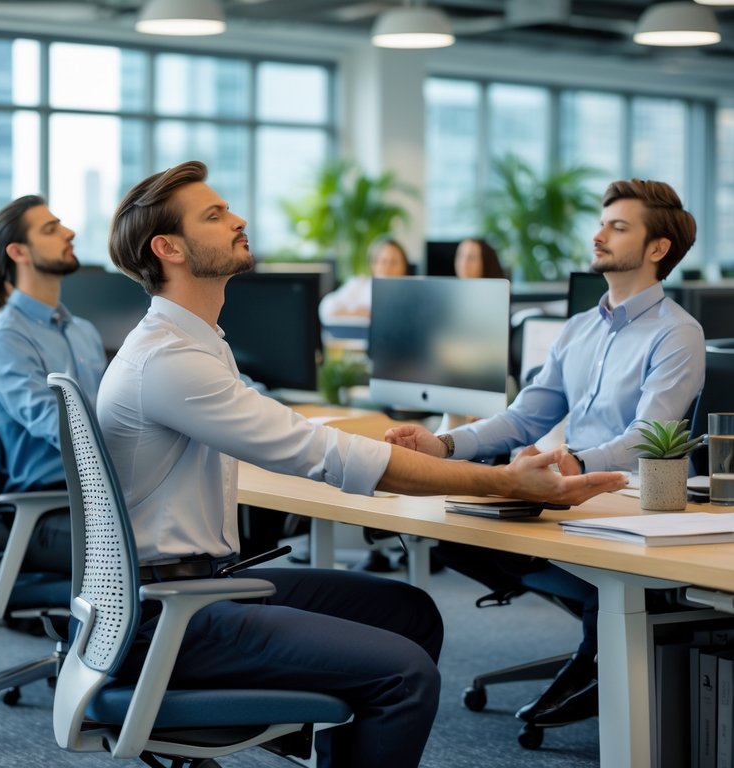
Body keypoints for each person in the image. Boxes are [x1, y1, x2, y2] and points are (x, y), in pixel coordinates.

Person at [96, 161, 626, 768]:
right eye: (214, 216)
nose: (238, 219)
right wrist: (504, 480)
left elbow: (296, 439)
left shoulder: (196, 344)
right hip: (170, 617)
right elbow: (327, 455)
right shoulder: (169, 360)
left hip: (192, 588)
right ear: (170, 249)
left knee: (409, 614)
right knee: (405, 676)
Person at [386, 178, 704, 729]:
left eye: (618, 226)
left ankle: (604, 650)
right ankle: (598, 637)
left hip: (633, 500)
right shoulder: (577, 329)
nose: (599, 234)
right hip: (569, 493)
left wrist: (574, 463)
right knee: (450, 521)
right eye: (602, 223)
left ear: (657, 249)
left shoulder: (677, 334)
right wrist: (443, 445)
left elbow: (649, 435)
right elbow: (523, 416)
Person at [0, 195, 107, 575]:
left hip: (98, 498)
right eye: (51, 229)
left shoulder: (83, 331)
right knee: (169, 544)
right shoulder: (6, 337)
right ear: (18, 251)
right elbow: (58, 426)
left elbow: (109, 410)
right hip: (48, 509)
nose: (69, 232)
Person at [317, 236, 409, 323]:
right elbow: (326, 308)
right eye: (383, 261)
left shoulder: (409, 294)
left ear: (404, 266)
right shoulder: (358, 285)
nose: (387, 267)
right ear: (373, 264)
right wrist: (360, 313)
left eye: (393, 262)